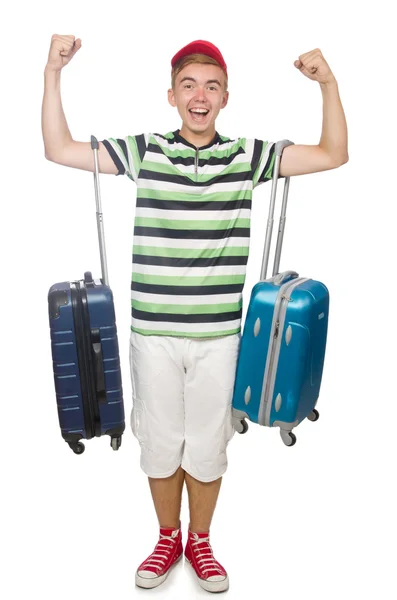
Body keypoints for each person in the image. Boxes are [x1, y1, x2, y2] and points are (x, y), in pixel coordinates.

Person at [42, 36, 348, 593]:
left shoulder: (248, 157)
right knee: (159, 445)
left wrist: (327, 82)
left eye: (211, 86)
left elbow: (333, 154)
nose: (200, 95)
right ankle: (167, 538)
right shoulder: (145, 151)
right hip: (153, 335)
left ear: (226, 98)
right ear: (172, 96)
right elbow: (59, 148)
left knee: (207, 447)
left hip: (219, 338)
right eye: (189, 85)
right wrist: (52, 70)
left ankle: (200, 543)